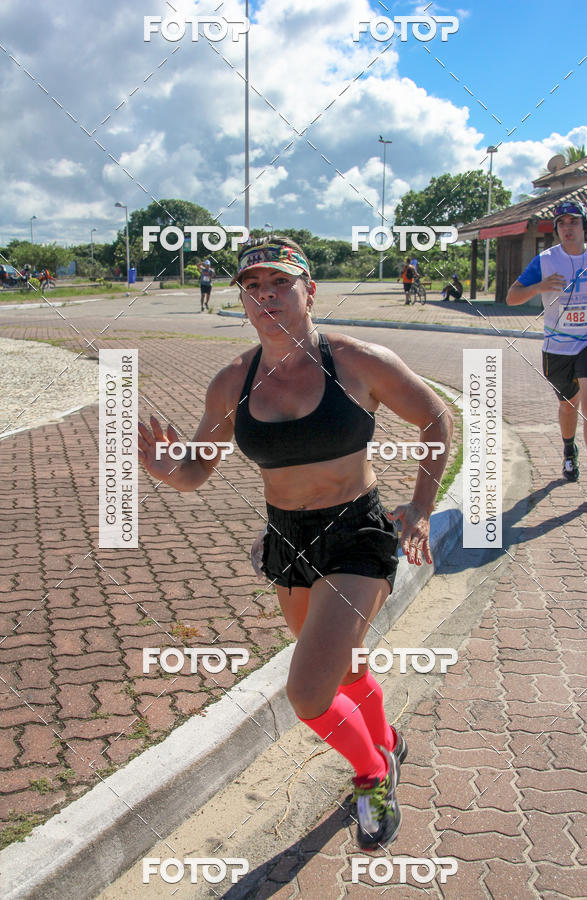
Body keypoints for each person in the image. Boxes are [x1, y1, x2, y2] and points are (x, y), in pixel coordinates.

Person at [138, 235, 452, 850]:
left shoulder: (358, 361)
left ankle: (372, 775)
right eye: (252, 287)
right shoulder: (232, 381)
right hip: (287, 542)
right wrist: (164, 470)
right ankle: (386, 739)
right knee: (346, 667)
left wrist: (419, 507)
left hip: (357, 536)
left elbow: (436, 417)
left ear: (309, 290)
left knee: (309, 693)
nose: (265, 296)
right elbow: (197, 472)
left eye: (279, 282)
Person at [507, 200, 587, 501]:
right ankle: (568, 448)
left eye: (573, 222)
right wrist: (539, 286)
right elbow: (512, 298)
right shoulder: (544, 260)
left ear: (584, 226)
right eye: (561, 223)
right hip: (557, 346)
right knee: (568, 405)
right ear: (557, 229)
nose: (567, 228)